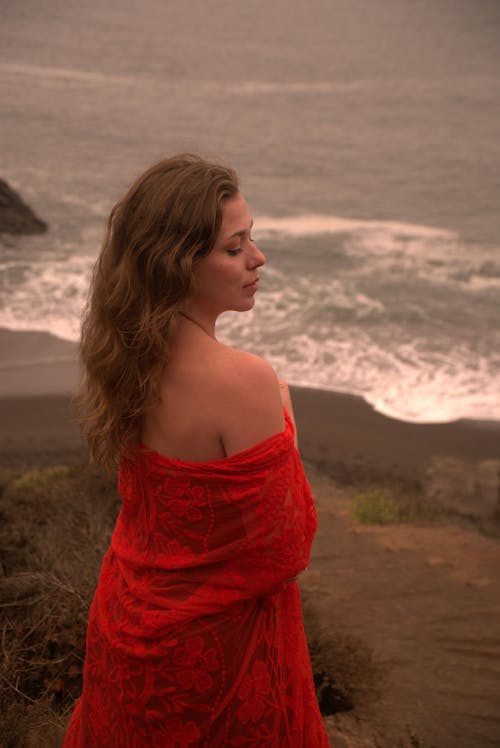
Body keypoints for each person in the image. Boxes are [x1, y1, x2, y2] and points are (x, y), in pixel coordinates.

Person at [63, 153, 330, 746]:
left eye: (251, 240)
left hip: (127, 624)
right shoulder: (243, 381)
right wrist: (288, 422)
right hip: (216, 656)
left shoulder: (123, 355)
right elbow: (287, 546)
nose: (258, 259)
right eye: (235, 248)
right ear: (177, 264)